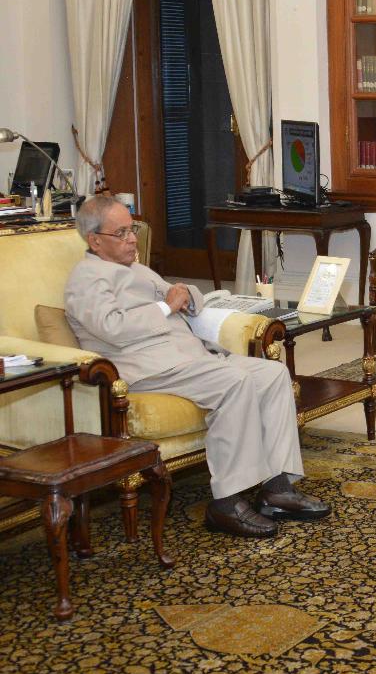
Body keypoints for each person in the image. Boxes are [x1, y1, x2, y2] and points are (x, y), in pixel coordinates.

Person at [64, 195, 330, 538]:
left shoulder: (135, 269)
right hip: (147, 365)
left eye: (132, 230)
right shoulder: (86, 279)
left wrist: (185, 295)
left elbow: (183, 297)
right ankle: (226, 503)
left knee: (273, 374)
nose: (132, 239)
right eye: (121, 233)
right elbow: (111, 327)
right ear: (95, 240)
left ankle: (277, 488)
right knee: (234, 381)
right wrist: (166, 307)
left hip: (184, 356)